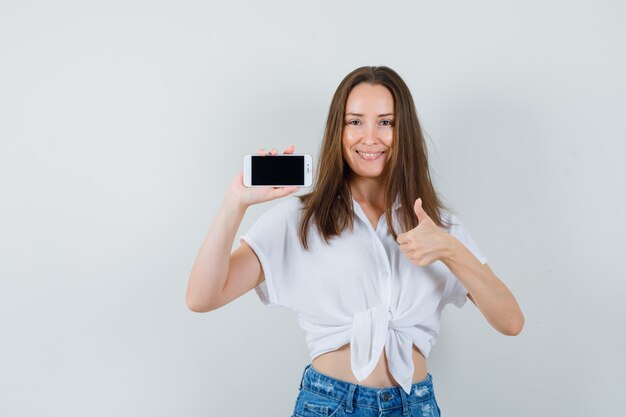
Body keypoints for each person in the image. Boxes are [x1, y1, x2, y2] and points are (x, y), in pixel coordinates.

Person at [186, 65, 524, 417]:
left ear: (402, 131)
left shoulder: (435, 226)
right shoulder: (301, 219)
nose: (369, 137)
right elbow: (202, 297)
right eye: (355, 121)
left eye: (385, 122)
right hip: (330, 404)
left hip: (414, 406)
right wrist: (234, 203)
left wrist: (449, 249)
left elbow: (511, 321)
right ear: (339, 129)